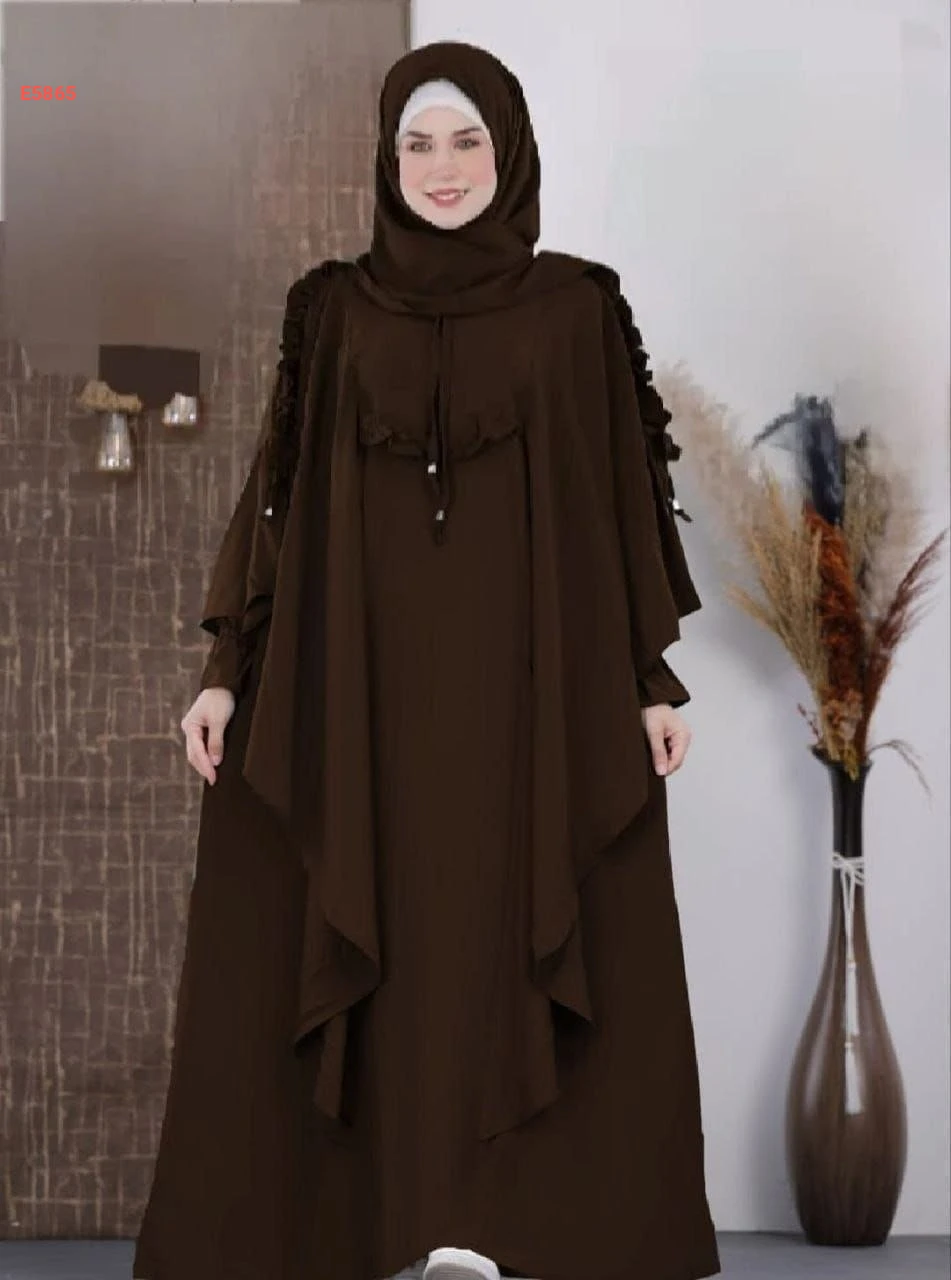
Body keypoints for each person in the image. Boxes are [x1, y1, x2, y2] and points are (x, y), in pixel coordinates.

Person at [133, 39, 720, 1280]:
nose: (442, 168)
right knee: (383, 945)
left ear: (509, 153)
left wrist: (646, 682)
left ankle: (494, 1226)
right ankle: (392, 1222)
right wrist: (228, 669)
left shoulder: (576, 308)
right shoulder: (332, 310)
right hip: (364, 698)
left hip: (528, 703)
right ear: (386, 158)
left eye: (466, 142)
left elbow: (613, 507)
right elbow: (280, 500)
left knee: (509, 940)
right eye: (416, 143)